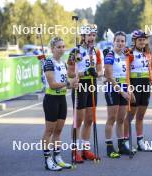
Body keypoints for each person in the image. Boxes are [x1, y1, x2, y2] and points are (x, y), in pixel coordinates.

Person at [67, 24, 103, 163]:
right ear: (83, 37)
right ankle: (74, 150)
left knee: (89, 119)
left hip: (92, 85)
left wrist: (96, 73)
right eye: (89, 35)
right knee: (79, 120)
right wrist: (84, 72)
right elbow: (70, 73)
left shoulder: (96, 52)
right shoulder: (76, 51)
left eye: (94, 35)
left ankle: (85, 149)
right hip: (80, 84)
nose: (92, 38)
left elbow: (100, 72)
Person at [42, 37, 78, 171]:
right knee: (49, 130)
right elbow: (53, 84)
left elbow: (64, 85)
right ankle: (48, 159)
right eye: (59, 47)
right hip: (51, 99)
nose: (62, 49)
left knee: (58, 130)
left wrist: (73, 85)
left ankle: (57, 157)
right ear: (52, 49)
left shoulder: (63, 63)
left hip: (62, 99)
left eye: (63, 46)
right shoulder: (48, 63)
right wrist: (69, 83)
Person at [103, 31, 136, 158]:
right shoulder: (110, 55)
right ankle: (109, 146)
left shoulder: (126, 56)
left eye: (122, 41)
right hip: (113, 88)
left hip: (124, 87)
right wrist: (122, 92)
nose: (120, 43)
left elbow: (127, 76)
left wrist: (129, 89)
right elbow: (109, 77)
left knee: (121, 119)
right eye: (118, 41)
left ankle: (121, 145)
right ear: (114, 42)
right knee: (112, 118)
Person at [123, 29, 152, 152]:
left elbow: (151, 71)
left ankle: (140, 141)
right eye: (139, 40)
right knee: (130, 115)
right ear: (134, 41)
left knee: (141, 115)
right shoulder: (129, 53)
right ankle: (125, 140)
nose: (142, 42)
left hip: (145, 84)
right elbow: (126, 72)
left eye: (143, 40)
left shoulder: (148, 53)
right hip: (134, 84)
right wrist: (129, 87)